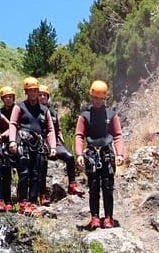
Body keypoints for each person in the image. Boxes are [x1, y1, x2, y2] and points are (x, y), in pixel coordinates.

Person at [74, 80, 124, 229]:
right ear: (91, 97)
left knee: (108, 186)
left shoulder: (111, 115)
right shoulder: (85, 116)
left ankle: (108, 217)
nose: (97, 101)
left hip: (107, 153)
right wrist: (79, 154)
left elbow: (117, 135)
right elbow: (79, 135)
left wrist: (120, 153)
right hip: (91, 154)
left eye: (100, 98)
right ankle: (95, 217)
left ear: (104, 98)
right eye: (95, 98)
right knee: (94, 186)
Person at [8, 76, 57, 215]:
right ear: (26, 92)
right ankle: (23, 202)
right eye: (31, 90)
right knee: (24, 172)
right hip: (23, 142)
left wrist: (52, 146)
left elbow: (50, 129)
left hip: (38, 144)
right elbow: (13, 124)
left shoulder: (44, 110)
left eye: (35, 90)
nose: (34, 93)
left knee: (36, 174)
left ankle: (32, 201)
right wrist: (12, 141)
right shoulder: (19, 107)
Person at [38, 84, 82, 200]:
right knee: (42, 164)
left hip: (54, 143)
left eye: (44, 95)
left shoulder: (53, 113)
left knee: (69, 157)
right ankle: (42, 193)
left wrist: (61, 141)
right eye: (40, 95)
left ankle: (72, 184)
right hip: (39, 143)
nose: (42, 97)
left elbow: (58, 129)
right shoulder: (33, 111)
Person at [0, 86, 16, 212]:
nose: (8, 99)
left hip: (17, 142)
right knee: (4, 173)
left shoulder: (18, 109)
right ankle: (6, 200)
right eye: (5, 97)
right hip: (4, 146)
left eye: (10, 97)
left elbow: (16, 125)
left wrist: (6, 133)